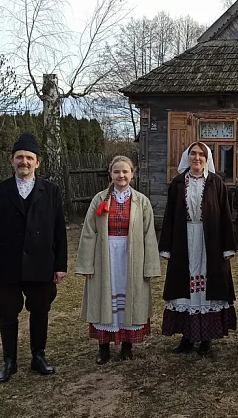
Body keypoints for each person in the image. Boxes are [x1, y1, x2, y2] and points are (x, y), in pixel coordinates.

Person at [0, 132, 68, 383]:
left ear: (37, 162)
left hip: (41, 264)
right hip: (7, 265)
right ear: (12, 161)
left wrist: (60, 265)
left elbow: (59, 232)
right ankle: (9, 361)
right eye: (19, 157)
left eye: (29, 158)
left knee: (40, 311)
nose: (24, 162)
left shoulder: (50, 191)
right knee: (7, 313)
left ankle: (38, 356)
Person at [74, 156, 161, 364]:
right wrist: (87, 263)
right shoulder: (99, 199)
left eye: (125, 171)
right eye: (116, 172)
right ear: (110, 174)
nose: (121, 176)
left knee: (131, 298)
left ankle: (127, 347)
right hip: (105, 255)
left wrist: (150, 266)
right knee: (104, 298)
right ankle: (103, 348)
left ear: (132, 173)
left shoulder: (142, 201)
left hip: (133, 257)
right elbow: (89, 232)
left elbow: (149, 235)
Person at [159, 142, 237, 355]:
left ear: (207, 158)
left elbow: (225, 216)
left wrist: (227, 246)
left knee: (208, 286)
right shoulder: (177, 183)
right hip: (184, 240)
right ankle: (187, 337)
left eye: (201, 154)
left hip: (209, 241)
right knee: (185, 287)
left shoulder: (216, 183)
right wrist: (166, 247)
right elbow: (169, 216)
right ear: (187, 157)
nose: (197, 158)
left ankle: (207, 339)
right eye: (193, 154)